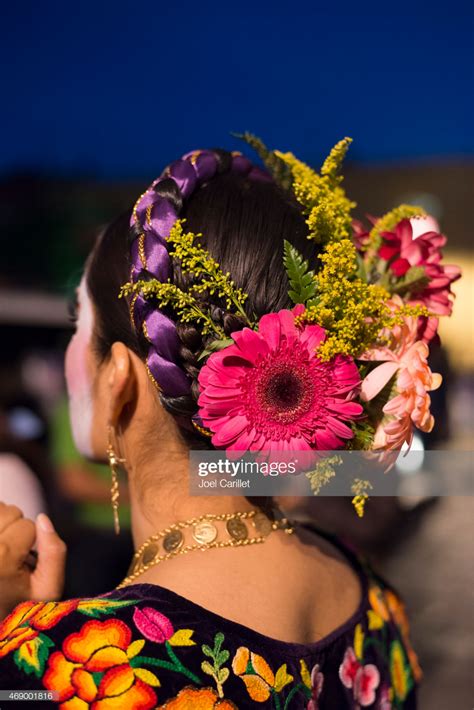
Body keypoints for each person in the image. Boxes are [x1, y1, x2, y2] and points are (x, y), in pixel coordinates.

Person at [0, 142, 434, 708]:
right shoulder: (372, 594)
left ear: (120, 380)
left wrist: (19, 641)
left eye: (77, 322)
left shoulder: (80, 667)